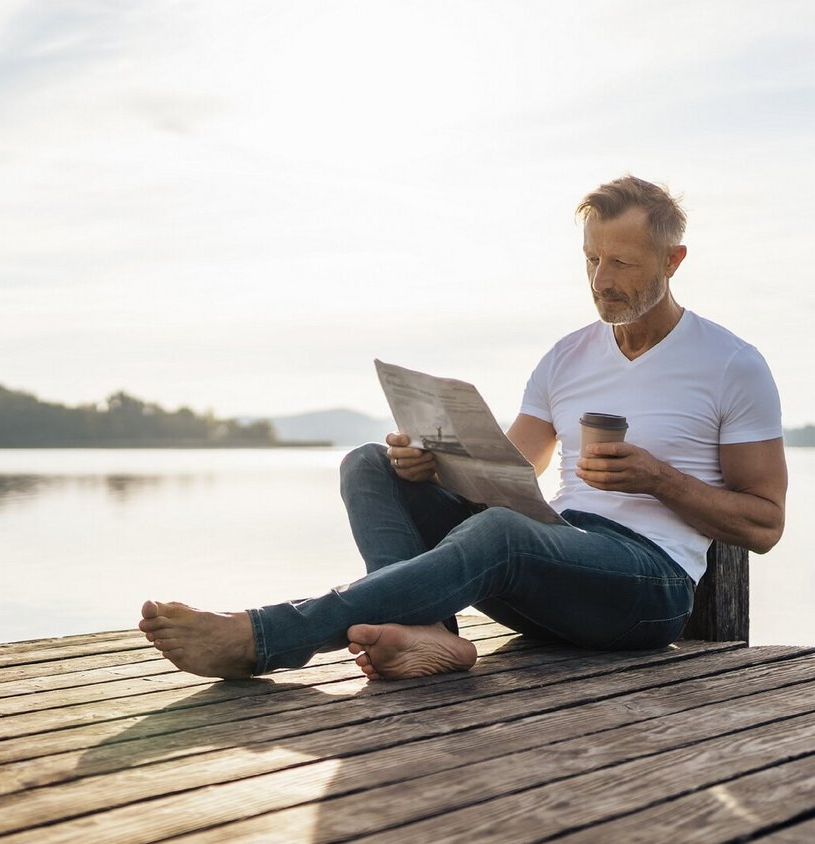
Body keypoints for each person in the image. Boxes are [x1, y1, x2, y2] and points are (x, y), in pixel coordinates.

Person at [139, 175, 788, 681]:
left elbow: (765, 524)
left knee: (502, 535)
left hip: (648, 587)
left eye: (623, 264)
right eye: (592, 260)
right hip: (556, 549)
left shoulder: (730, 364)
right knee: (369, 465)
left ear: (673, 260)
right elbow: (512, 470)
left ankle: (264, 637)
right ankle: (430, 635)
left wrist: (659, 478)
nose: (602, 281)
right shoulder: (567, 357)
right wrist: (434, 462)